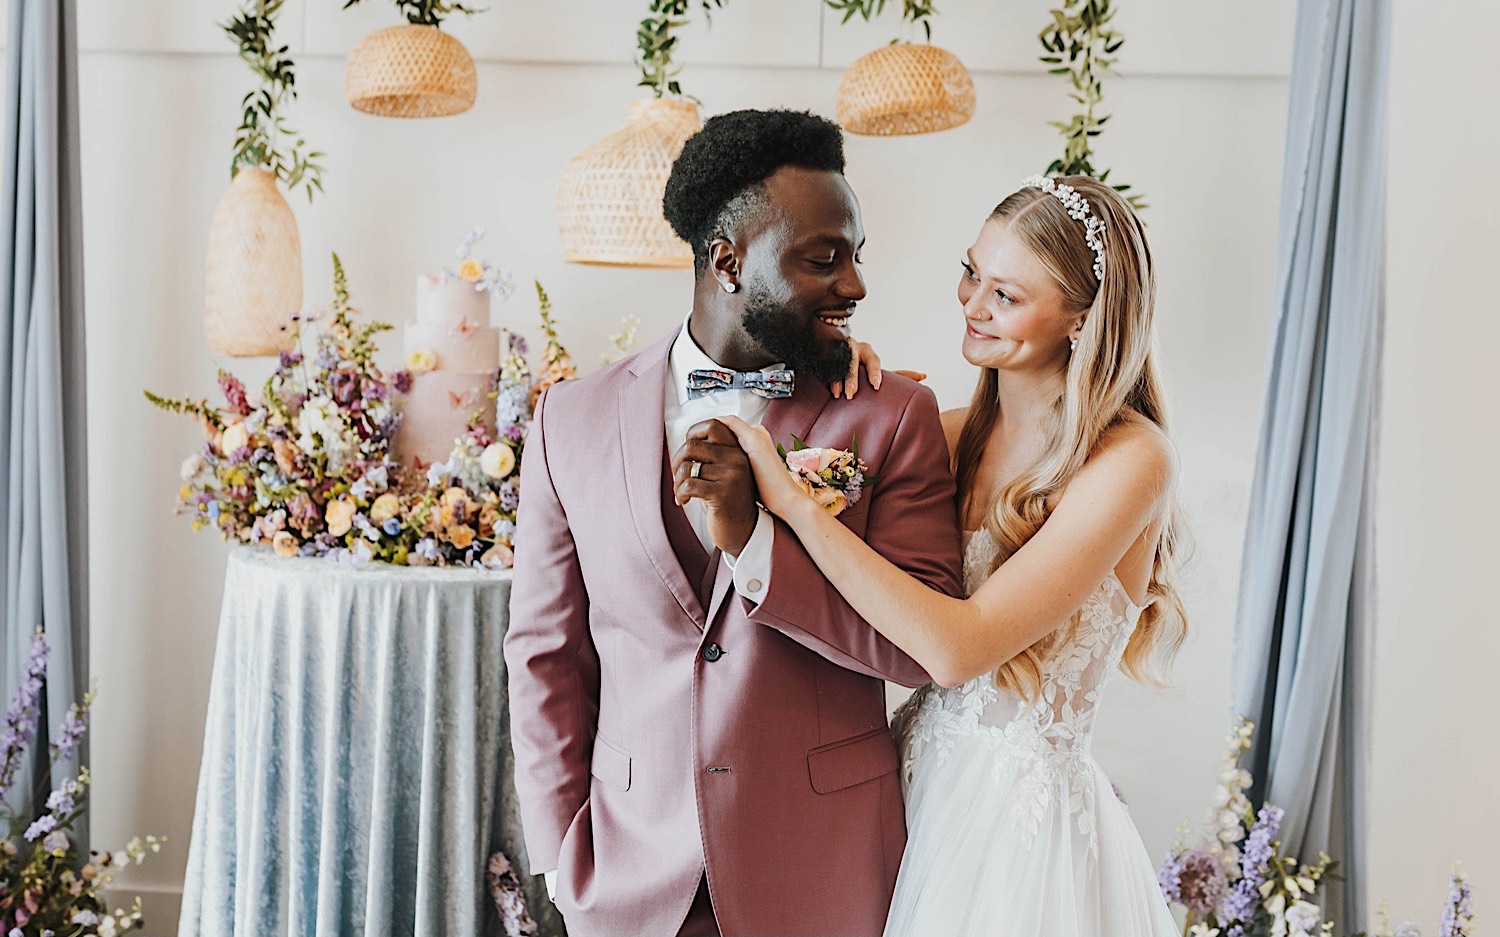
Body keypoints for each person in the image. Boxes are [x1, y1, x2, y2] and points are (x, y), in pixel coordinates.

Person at [503, 109, 965, 937]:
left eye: (857, 257)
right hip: (626, 875)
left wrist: (758, 547)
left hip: (823, 869)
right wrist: (559, 855)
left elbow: (921, 649)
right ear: (728, 262)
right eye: (825, 259)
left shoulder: (889, 416)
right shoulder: (566, 420)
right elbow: (544, 656)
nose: (855, 285)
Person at [692, 175, 1187, 936]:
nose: (973, 304)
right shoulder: (952, 433)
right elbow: (820, 543)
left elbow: (958, 648)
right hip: (907, 787)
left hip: (1013, 838)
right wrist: (842, 391)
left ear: (1082, 320)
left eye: (1007, 295)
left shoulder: (1130, 461)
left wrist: (794, 500)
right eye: (970, 273)